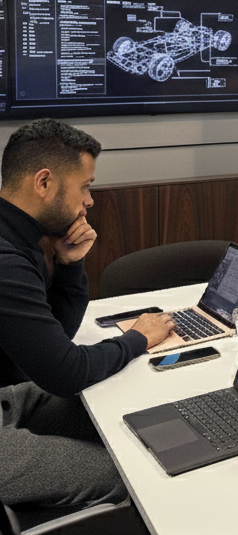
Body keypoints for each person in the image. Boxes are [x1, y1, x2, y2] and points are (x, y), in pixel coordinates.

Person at [0, 119, 175, 511]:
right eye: (86, 186)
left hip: (10, 397)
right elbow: (65, 371)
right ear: (43, 183)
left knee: (125, 417)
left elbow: (54, 340)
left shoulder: (19, 236)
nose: (90, 201)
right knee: (136, 475)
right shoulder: (6, 258)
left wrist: (68, 265)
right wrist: (137, 338)